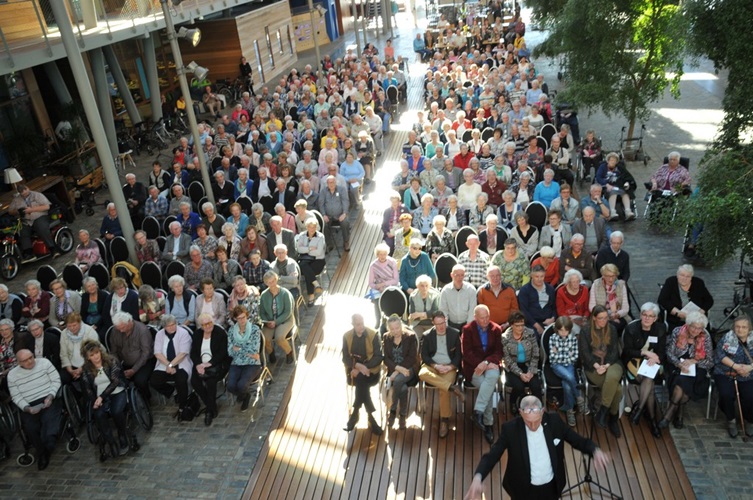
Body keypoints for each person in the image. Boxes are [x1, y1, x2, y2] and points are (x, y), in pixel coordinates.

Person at [465, 395, 608, 500]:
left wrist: (595, 450)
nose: (533, 426)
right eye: (528, 422)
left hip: (551, 488)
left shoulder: (555, 422)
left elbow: (578, 441)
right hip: (523, 490)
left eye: (536, 421)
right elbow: (492, 455)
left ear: (542, 411)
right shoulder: (510, 429)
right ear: (521, 412)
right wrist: (478, 477)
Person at [7, 349, 62, 470]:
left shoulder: (44, 363)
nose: (30, 361)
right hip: (29, 404)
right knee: (31, 428)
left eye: (31, 357)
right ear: (19, 363)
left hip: (48, 398)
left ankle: (48, 445)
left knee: (48, 425)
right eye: (25, 360)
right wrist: (27, 408)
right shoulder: (12, 375)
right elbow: (16, 396)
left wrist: (50, 396)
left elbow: (56, 380)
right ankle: (42, 452)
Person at [658, 311, 714, 431]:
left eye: (699, 328)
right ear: (688, 324)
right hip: (676, 365)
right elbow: (669, 353)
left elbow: (710, 361)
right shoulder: (678, 331)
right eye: (693, 327)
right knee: (680, 380)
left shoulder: (706, 337)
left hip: (698, 369)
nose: (695, 331)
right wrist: (679, 364)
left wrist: (695, 361)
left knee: (684, 382)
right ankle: (679, 415)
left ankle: (667, 417)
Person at [80, 340, 130, 458]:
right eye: (92, 355)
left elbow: (115, 381)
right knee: (98, 414)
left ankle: (122, 435)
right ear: (88, 358)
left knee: (116, 411)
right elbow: (87, 388)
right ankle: (110, 441)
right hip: (98, 396)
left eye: (97, 353)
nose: (96, 356)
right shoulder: (86, 369)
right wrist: (94, 401)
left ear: (100, 352)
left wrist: (101, 397)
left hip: (116, 391)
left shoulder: (112, 361)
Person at [623, 302, 666, 437]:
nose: (647, 318)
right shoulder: (632, 329)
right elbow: (627, 351)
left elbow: (662, 351)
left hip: (653, 362)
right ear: (641, 315)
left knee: (649, 379)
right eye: (645, 315)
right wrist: (645, 353)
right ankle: (652, 421)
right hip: (634, 361)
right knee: (650, 385)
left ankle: (639, 410)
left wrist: (655, 358)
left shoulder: (660, 329)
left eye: (651, 316)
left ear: (656, 318)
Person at [462, 305, 504, 444]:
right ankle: (488, 423)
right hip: (474, 367)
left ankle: (478, 412)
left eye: (487, 317)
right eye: (482, 318)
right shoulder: (467, 330)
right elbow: (467, 353)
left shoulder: (496, 329)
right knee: (489, 388)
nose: (486, 320)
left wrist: (486, 363)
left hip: (490, 364)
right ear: (475, 318)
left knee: (491, 379)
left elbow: (499, 352)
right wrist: (480, 364)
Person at [579, 305, 623, 437]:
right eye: (600, 318)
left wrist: (606, 365)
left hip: (612, 363)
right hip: (593, 366)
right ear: (594, 318)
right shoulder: (585, 331)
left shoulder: (612, 329)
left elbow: (614, 351)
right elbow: (584, 353)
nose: (604, 321)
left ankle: (602, 412)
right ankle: (613, 418)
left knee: (612, 378)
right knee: (618, 389)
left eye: (606, 318)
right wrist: (597, 365)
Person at [419, 311, 464, 438]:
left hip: (449, 367)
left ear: (446, 320)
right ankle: (452, 388)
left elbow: (458, 356)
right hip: (433, 366)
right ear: (433, 323)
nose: (441, 326)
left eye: (443, 323)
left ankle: (444, 420)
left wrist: (450, 367)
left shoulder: (455, 334)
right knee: (422, 373)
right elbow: (424, 356)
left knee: (443, 390)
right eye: (438, 324)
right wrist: (435, 366)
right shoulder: (427, 335)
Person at [343, 313, 383, 435]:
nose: (361, 327)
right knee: (361, 380)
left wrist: (364, 367)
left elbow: (378, 357)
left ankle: (355, 414)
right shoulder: (347, 336)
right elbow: (345, 358)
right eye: (358, 325)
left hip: (371, 373)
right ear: (353, 325)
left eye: (362, 323)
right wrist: (358, 366)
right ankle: (371, 418)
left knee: (361, 380)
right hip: (354, 374)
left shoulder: (373, 334)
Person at [714, 315, 753, 438]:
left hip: (748, 373)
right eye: (737, 327)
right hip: (726, 372)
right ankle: (731, 420)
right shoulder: (727, 338)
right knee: (726, 394)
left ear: (749, 329)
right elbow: (720, 355)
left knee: (750, 396)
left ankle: (750, 420)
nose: (740, 330)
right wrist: (736, 366)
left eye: (744, 327)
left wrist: (749, 367)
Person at [191, 312, 230, 425]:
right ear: (201, 326)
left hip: (216, 364)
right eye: (204, 324)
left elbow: (223, 353)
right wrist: (198, 364)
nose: (208, 326)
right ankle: (211, 405)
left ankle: (209, 411)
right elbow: (193, 352)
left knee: (211, 382)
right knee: (194, 381)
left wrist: (209, 363)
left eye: (209, 323)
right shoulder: (197, 334)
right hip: (201, 364)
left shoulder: (220, 333)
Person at [382, 315, 419, 430]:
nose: (395, 331)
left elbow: (412, 358)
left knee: (397, 380)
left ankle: (393, 410)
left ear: (401, 326)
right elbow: (386, 358)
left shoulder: (410, 337)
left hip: (409, 370)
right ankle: (402, 414)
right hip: (396, 370)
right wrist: (398, 369)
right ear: (389, 329)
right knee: (401, 387)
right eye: (392, 329)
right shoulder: (386, 337)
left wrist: (398, 371)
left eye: (397, 328)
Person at [108, 312, 155, 403]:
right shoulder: (115, 331)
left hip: (144, 362)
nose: (121, 331)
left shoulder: (142, 330)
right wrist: (118, 367)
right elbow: (113, 351)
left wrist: (134, 369)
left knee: (140, 381)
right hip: (124, 362)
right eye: (119, 328)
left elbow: (146, 353)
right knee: (114, 378)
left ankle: (146, 401)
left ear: (129, 322)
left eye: (123, 327)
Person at [548, 316, 586, 426]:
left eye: (566, 330)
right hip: (557, 366)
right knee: (570, 377)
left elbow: (575, 357)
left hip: (569, 365)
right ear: (557, 329)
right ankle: (579, 398)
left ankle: (569, 411)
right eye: (561, 330)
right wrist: (566, 354)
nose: (564, 333)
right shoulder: (552, 338)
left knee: (567, 385)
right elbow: (553, 359)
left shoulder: (573, 338)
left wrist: (559, 352)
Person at [8, 184, 63, 260]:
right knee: (22, 231)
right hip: (26, 219)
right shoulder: (17, 200)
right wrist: (17, 211)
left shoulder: (37, 195)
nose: (24, 193)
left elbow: (47, 206)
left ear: (28, 188)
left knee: (41, 229)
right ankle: (29, 252)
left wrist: (32, 210)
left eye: (25, 190)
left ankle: (53, 249)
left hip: (39, 216)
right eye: (22, 192)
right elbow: (10, 211)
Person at [150, 314, 192, 413]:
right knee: (154, 381)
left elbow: (183, 353)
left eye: (174, 324)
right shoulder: (159, 334)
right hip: (164, 363)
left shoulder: (183, 333)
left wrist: (171, 365)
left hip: (181, 363)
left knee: (181, 380)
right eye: (169, 326)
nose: (172, 327)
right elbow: (157, 353)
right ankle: (173, 392)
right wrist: (168, 364)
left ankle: (183, 405)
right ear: (164, 327)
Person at [501, 311, 543, 412]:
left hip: (528, 365)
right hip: (513, 367)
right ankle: (513, 402)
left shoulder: (530, 333)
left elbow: (536, 353)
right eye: (517, 325)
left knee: (536, 386)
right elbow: (507, 360)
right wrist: (520, 374)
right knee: (518, 386)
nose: (520, 328)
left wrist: (531, 371)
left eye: (522, 325)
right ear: (511, 325)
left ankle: (539, 408)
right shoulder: (504, 338)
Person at [658, 264, 714, 333]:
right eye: (682, 275)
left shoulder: (698, 283)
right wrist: (678, 313)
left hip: (696, 320)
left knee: (701, 337)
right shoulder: (670, 282)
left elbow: (709, 300)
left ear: (691, 277)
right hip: (676, 320)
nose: (684, 278)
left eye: (688, 276)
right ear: (677, 275)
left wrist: (701, 311)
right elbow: (662, 300)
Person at [226, 305, 262, 412]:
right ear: (235, 319)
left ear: (247, 316)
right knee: (230, 386)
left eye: (244, 317)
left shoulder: (255, 329)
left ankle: (245, 396)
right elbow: (230, 351)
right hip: (236, 362)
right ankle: (244, 395)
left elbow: (254, 350)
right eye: (239, 318)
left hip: (252, 363)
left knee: (242, 385)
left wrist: (238, 349)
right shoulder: (232, 331)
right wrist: (246, 350)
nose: (242, 320)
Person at [259, 271, 295, 364]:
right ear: (266, 283)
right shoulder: (264, 295)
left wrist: (277, 321)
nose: (272, 284)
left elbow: (288, 311)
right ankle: (271, 352)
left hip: (285, 319)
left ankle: (289, 352)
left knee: (279, 338)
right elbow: (261, 312)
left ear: (276, 279)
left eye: (274, 280)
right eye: (269, 282)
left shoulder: (284, 293)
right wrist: (267, 322)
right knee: (265, 339)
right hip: (270, 321)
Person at [59, 312, 100, 385]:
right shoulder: (64, 333)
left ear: (80, 323)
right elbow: (63, 354)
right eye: (69, 326)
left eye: (74, 325)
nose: (72, 328)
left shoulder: (89, 331)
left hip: (88, 364)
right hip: (71, 365)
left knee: (86, 379)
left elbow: (94, 354)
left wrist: (82, 369)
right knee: (63, 378)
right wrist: (70, 370)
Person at [589, 263, 629, 333]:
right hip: (600, 315)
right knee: (605, 326)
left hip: (618, 315)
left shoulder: (621, 285)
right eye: (608, 276)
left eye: (613, 276)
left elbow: (625, 308)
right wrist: (606, 315)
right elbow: (592, 307)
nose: (611, 279)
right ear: (603, 276)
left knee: (615, 326)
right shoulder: (596, 285)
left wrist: (616, 315)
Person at [518, 265, 556, 337]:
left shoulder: (550, 289)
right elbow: (524, 311)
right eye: (537, 276)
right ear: (531, 276)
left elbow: (554, 307)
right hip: (532, 322)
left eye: (542, 276)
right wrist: (537, 326)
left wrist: (553, 318)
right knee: (534, 336)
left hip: (548, 321)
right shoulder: (525, 290)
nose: (539, 279)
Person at [440, 265, 478, 331]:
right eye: (457, 275)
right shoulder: (445, 290)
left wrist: (468, 327)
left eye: (462, 275)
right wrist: (446, 327)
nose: (459, 278)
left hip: (466, 323)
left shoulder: (471, 289)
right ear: (451, 275)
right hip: (450, 324)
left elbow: (472, 310)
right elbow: (443, 310)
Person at [318, 175, 351, 251]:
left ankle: (346, 242)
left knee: (345, 222)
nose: (331, 184)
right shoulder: (323, 191)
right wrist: (323, 214)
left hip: (340, 215)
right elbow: (321, 204)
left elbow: (345, 202)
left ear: (335, 182)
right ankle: (329, 243)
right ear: (327, 183)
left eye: (332, 182)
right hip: (328, 215)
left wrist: (344, 213)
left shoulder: (342, 190)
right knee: (323, 224)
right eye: (329, 183)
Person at [555, 269, 590, 334]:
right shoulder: (561, 292)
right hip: (567, 319)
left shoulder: (585, 290)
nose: (576, 284)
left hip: (582, 318)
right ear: (568, 282)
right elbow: (560, 312)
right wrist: (573, 320)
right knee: (574, 330)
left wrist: (584, 318)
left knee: (588, 329)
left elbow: (587, 308)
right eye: (573, 282)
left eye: (578, 281)